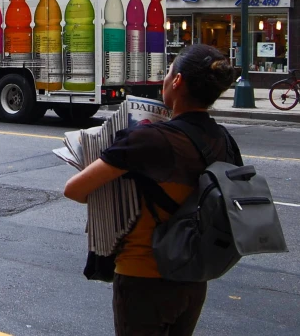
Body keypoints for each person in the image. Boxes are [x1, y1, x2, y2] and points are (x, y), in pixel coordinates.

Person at [64, 44, 242, 336]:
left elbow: (75, 190)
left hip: (143, 277)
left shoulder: (149, 139)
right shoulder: (224, 140)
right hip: (194, 277)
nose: (165, 77)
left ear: (177, 81)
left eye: (168, 71)